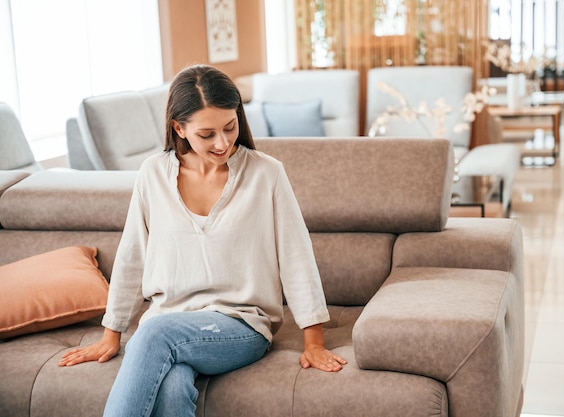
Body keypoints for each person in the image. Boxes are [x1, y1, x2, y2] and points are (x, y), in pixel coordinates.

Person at [58, 64, 347, 417]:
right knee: (173, 384)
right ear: (179, 127)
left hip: (240, 324)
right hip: (167, 321)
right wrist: (111, 333)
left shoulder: (266, 173)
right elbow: (133, 257)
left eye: (230, 127)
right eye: (207, 134)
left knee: (151, 336)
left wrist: (313, 341)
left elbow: (296, 256)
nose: (222, 143)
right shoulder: (153, 174)